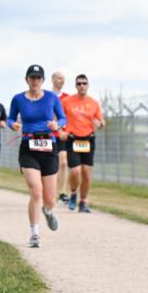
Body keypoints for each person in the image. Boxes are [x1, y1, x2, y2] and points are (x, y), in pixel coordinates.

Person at [8, 64, 66, 247]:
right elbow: (10, 118)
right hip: (28, 146)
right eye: (32, 78)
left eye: (38, 78)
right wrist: (13, 125)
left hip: (49, 147)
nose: (35, 81)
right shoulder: (18, 99)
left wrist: (57, 125)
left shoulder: (51, 97)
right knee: (35, 190)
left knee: (50, 198)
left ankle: (48, 211)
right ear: (26, 80)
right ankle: (34, 234)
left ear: (43, 80)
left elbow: (63, 118)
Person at [61, 74, 105, 212]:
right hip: (73, 139)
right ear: (76, 85)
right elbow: (60, 118)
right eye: (79, 83)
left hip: (88, 139)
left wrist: (100, 123)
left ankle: (83, 202)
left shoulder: (93, 103)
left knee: (86, 173)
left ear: (88, 85)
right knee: (75, 171)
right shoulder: (67, 101)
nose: (82, 86)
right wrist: (61, 131)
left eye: (84, 83)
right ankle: (73, 193)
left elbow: (101, 121)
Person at [50, 70, 71, 205]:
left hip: (62, 135)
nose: (62, 81)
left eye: (63, 78)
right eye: (59, 78)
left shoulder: (68, 98)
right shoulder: (47, 96)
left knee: (63, 162)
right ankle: (51, 191)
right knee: (51, 164)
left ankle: (62, 192)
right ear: (52, 80)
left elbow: (69, 117)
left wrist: (65, 130)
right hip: (49, 135)